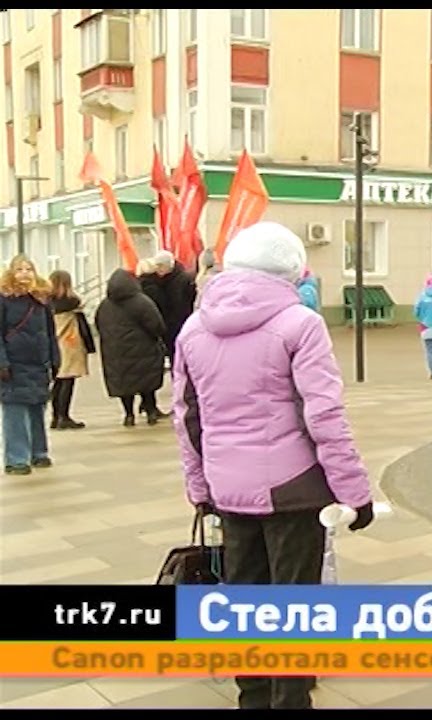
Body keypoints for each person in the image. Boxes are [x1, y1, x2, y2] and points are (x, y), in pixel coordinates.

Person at [172, 221, 375, 711]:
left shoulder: (194, 328)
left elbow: (187, 416)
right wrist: (354, 493)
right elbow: (323, 415)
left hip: (228, 488)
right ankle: (290, 700)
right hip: (293, 489)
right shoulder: (300, 323)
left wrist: (200, 486)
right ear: (292, 269)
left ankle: (253, 698)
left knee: (246, 601)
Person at [0, 255, 59, 475]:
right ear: (11, 273)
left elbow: (50, 332)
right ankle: (16, 459)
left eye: (28, 269)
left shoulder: (41, 299)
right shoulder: (4, 299)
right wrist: (2, 362)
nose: (24, 273)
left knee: (37, 408)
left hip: (38, 364)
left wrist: (55, 358)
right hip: (13, 364)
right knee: (15, 411)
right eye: (19, 269)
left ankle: (39, 452)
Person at [95, 268, 169, 426]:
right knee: (147, 382)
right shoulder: (142, 302)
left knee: (124, 384)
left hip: (115, 352)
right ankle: (151, 412)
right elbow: (157, 325)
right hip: (144, 350)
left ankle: (129, 415)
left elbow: (99, 326)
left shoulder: (104, 306)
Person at [48, 270, 90, 430]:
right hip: (69, 344)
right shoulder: (71, 302)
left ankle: (55, 416)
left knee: (57, 382)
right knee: (68, 380)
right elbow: (81, 302)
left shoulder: (47, 303)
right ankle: (64, 416)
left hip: (54, 345)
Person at [141, 250, 198, 368]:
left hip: (182, 325)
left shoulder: (184, 280)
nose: (158, 269)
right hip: (168, 328)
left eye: (161, 265)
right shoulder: (158, 281)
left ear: (169, 265)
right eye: (157, 265)